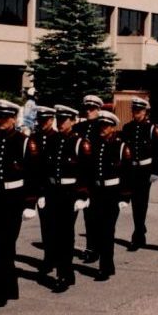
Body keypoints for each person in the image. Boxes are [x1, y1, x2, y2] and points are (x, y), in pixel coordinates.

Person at [0, 100, 40, 307]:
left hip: (15, 198)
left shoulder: (24, 141)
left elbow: (33, 174)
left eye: (5, 117)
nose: (1, 121)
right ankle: (11, 287)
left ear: (14, 118)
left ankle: (0, 289)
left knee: (6, 244)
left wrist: (30, 203)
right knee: (1, 242)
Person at [40, 105, 92, 292]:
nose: (61, 123)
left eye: (65, 120)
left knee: (65, 235)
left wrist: (83, 195)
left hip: (70, 193)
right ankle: (64, 272)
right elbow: (45, 169)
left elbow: (87, 171)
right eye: (59, 120)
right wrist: (42, 193)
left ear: (73, 121)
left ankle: (64, 274)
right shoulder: (53, 141)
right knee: (53, 233)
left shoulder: (80, 143)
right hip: (54, 191)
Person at [86, 111, 133, 281]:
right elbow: (90, 172)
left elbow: (128, 174)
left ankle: (105, 267)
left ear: (113, 128)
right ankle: (107, 264)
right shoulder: (95, 144)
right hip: (97, 192)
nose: (102, 128)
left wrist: (124, 197)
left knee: (107, 230)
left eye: (105, 126)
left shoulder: (121, 147)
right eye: (100, 125)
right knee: (97, 229)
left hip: (113, 193)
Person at [120, 97, 158, 251]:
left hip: (145, 171)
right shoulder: (127, 128)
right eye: (134, 111)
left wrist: (155, 172)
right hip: (131, 170)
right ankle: (140, 229)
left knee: (141, 203)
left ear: (145, 112)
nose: (136, 114)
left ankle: (137, 236)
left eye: (139, 111)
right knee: (133, 202)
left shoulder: (152, 129)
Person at [73, 95, 103, 261]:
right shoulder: (79, 128)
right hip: (77, 178)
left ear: (99, 110)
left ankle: (93, 248)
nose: (89, 111)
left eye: (92, 109)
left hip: (93, 179)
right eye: (87, 108)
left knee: (92, 216)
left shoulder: (102, 127)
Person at [29, 106, 58, 274]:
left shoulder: (57, 138)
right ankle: (49, 258)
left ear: (51, 120)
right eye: (40, 119)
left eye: (46, 120)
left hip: (56, 189)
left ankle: (57, 256)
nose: (43, 123)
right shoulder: (34, 138)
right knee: (46, 225)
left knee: (57, 226)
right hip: (40, 189)